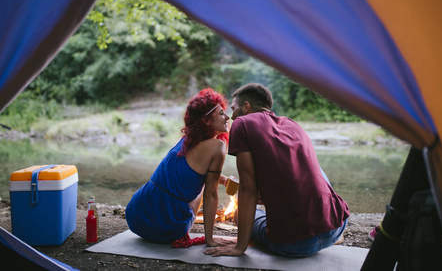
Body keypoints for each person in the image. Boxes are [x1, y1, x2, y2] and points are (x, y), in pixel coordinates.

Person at [204, 83, 350, 258]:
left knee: (237, 214)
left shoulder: (242, 123)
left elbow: (247, 190)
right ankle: (332, 235)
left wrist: (239, 247)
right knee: (311, 166)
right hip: (336, 225)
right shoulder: (291, 124)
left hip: (294, 245)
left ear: (247, 106)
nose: (232, 115)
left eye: (234, 109)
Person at [126, 88, 234, 247]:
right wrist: (209, 239)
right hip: (167, 226)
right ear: (206, 120)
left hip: (136, 214)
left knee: (205, 178)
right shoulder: (217, 146)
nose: (227, 117)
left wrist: (223, 180)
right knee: (206, 183)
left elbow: (187, 173)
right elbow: (210, 195)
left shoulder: (186, 141)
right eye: (221, 113)